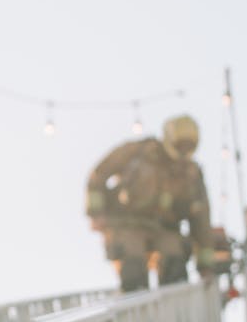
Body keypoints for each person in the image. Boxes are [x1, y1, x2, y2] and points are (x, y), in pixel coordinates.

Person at [85, 114, 217, 292]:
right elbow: (98, 174)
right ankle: (133, 297)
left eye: (189, 147)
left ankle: (172, 304)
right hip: (127, 223)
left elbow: (202, 220)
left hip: (165, 228)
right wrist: (96, 212)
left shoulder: (192, 174)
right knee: (133, 262)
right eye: (180, 145)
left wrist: (205, 266)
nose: (184, 151)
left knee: (174, 257)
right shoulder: (138, 152)